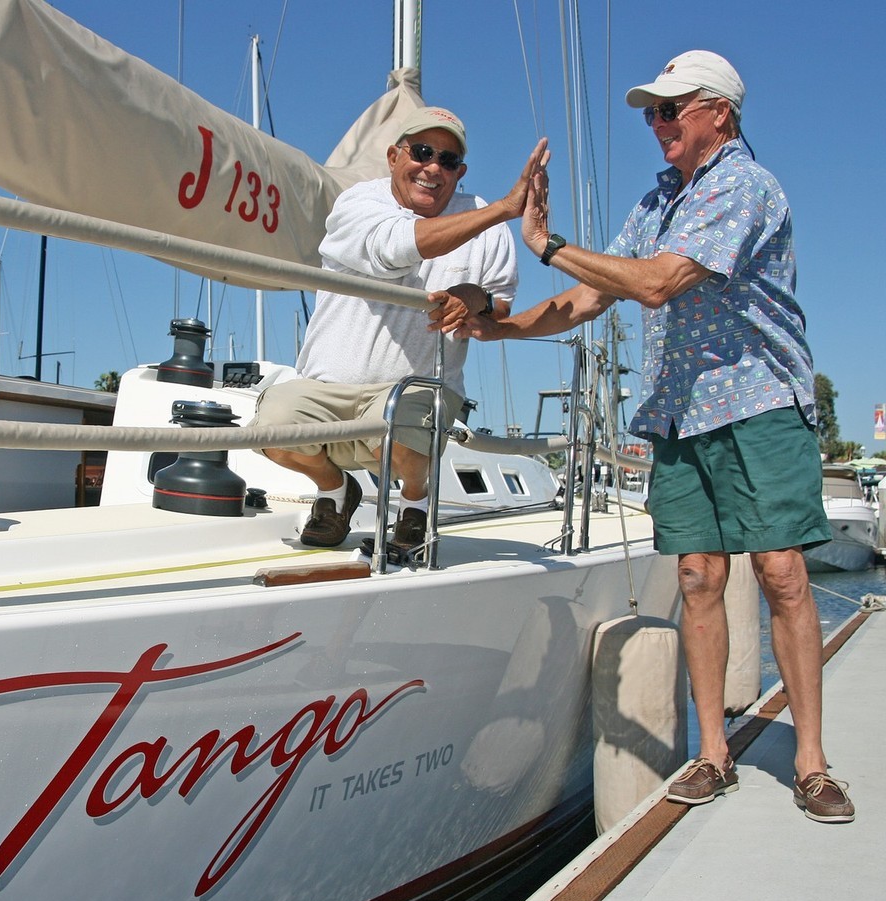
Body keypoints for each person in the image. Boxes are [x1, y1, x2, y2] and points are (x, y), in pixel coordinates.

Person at [434, 50, 854, 823]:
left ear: (718, 113)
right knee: (697, 576)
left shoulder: (743, 186)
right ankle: (713, 754)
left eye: (670, 109)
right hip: (678, 411)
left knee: (783, 574)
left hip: (757, 402)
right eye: (649, 113)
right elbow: (592, 297)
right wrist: (497, 331)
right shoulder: (660, 198)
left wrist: (547, 244)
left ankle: (812, 762)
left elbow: (656, 282)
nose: (655, 124)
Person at [252, 106, 542, 551]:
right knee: (270, 427)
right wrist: (505, 208)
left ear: (459, 171)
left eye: (447, 160)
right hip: (326, 387)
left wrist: (475, 297)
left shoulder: (484, 221)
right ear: (393, 157)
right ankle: (335, 490)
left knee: (401, 423)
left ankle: (415, 504)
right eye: (422, 152)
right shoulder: (360, 203)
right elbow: (394, 248)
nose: (432, 167)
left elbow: (500, 304)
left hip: (418, 386)